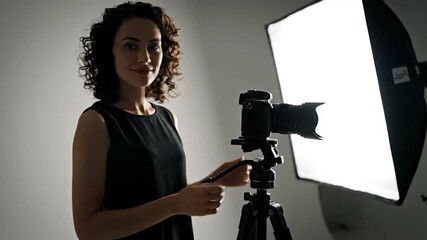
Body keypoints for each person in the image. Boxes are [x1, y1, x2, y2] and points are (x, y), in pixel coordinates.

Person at [72, 1, 250, 240]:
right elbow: (88, 229)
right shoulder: (96, 122)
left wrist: (216, 178)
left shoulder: (168, 118)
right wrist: (175, 204)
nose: (145, 57)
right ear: (109, 52)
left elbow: (169, 196)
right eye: (131, 46)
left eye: (153, 46)